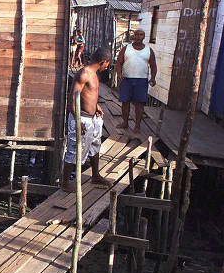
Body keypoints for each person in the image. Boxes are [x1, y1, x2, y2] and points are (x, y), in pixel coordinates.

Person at [61, 47, 112, 193]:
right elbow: (72, 99)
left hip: (92, 118)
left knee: (95, 144)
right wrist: (78, 121)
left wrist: (96, 106)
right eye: (107, 64)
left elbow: (88, 94)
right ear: (103, 62)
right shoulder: (84, 73)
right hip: (81, 117)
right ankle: (65, 183)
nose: (107, 66)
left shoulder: (94, 74)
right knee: (74, 149)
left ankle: (95, 175)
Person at [115, 27, 157, 133]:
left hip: (141, 81)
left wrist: (153, 78)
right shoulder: (126, 48)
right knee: (125, 102)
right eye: (137, 34)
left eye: (141, 35)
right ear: (134, 36)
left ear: (144, 37)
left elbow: (153, 65)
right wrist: (119, 74)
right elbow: (119, 63)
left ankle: (137, 126)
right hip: (126, 80)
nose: (139, 37)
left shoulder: (149, 50)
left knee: (139, 104)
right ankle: (125, 122)